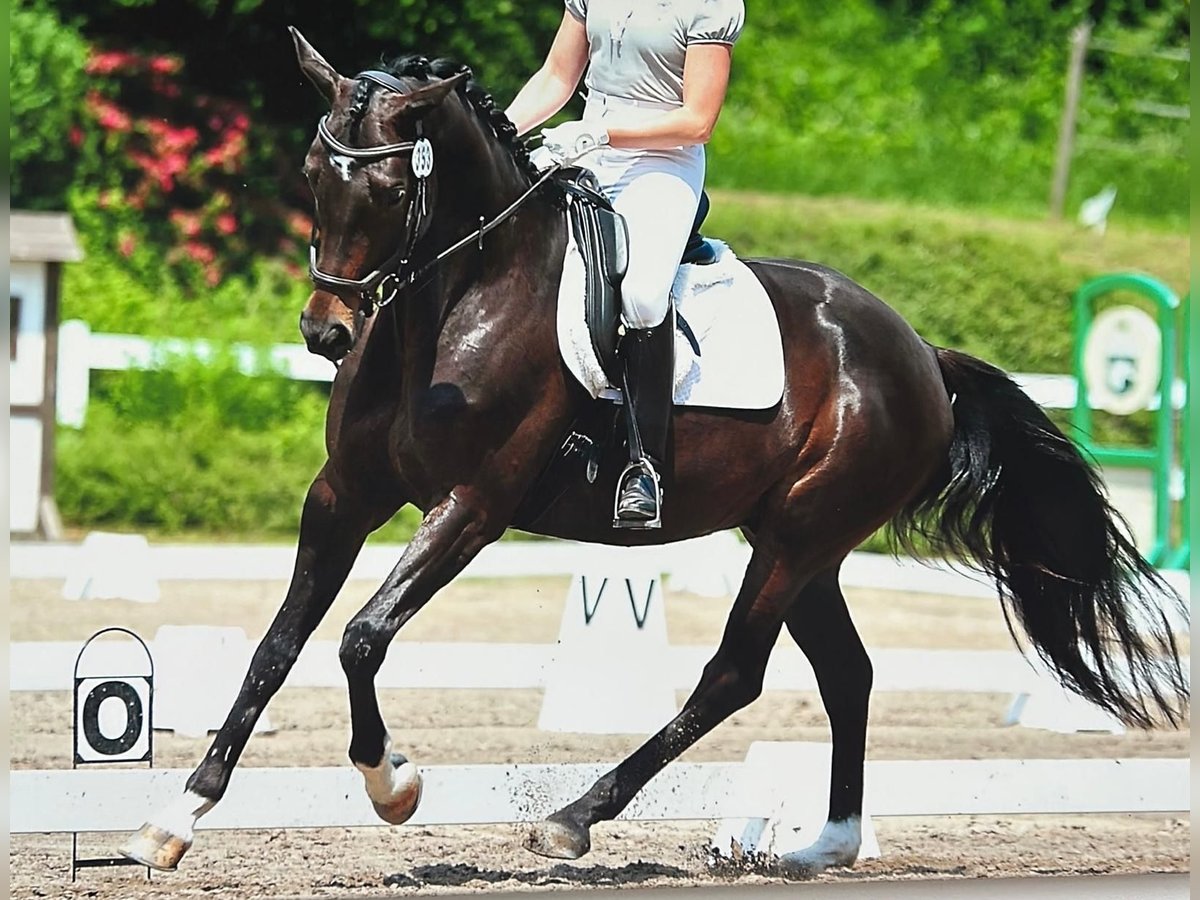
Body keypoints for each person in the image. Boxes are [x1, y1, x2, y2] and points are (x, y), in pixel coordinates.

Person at [505, 0, 744, 528]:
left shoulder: (711, 7)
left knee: (640, 295)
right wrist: (500, 136)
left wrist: (605, 133)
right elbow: (555, 77)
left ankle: (644, 466)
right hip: (586, 145)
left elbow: (697, 121)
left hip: (663, 162)